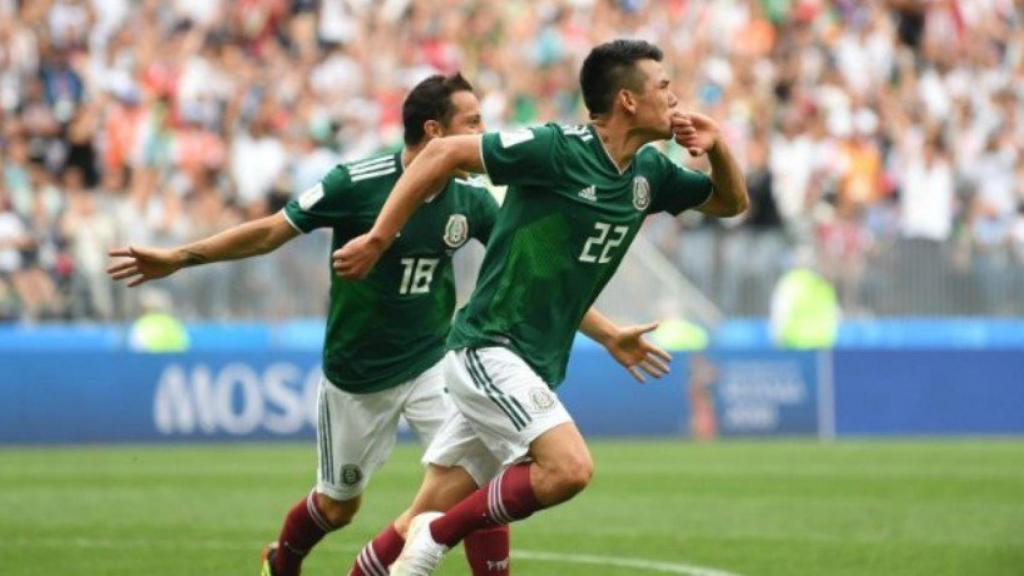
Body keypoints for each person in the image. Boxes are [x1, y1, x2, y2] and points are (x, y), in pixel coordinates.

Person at [106, 72, 667, 576]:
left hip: (435, 362)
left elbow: (533, 277)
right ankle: (284, 561)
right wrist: (180, 257)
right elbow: (273, 231)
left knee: (482, 469)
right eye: (472, 122)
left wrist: (608, 330)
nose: (484, 131)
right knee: (337, 506)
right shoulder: (357, 181)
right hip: (358, 374)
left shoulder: (468, 198)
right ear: (433, 128)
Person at [333, 39, 748, 575]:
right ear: (626, 100)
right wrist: (378, 238)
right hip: (489, 346)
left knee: (426, 505)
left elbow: (731, 203)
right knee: (568, 468)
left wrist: (716, 148)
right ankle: (438, 536)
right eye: (663, 87)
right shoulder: (558, 149)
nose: (675, 99)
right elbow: (439, 154)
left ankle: (413, 539)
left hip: (535, 360)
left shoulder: (650, 173)